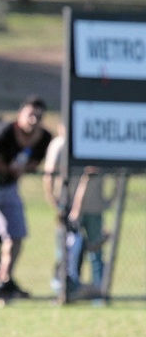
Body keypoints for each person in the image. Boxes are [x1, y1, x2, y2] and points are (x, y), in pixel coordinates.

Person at [0, 95, 52, 300]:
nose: (34, 120)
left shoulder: (44, 137)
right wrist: (8, 168)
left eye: (39, 116)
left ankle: (5, 279)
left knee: (17, 233)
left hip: (10, 186)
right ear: (21, 114)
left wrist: (22, 169)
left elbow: (35, 162)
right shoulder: (5, 130)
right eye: (30, 115)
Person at [42, 126, 113, 294]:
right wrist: (55, 200)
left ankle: (97, 295)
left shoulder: (96, 142)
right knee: (68, 254)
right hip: (65, 282)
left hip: (93, 206)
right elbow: (50, 174)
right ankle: (69, 293)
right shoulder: (59, 145)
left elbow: (90, 247)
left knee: (94, 256)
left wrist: (110, 197)